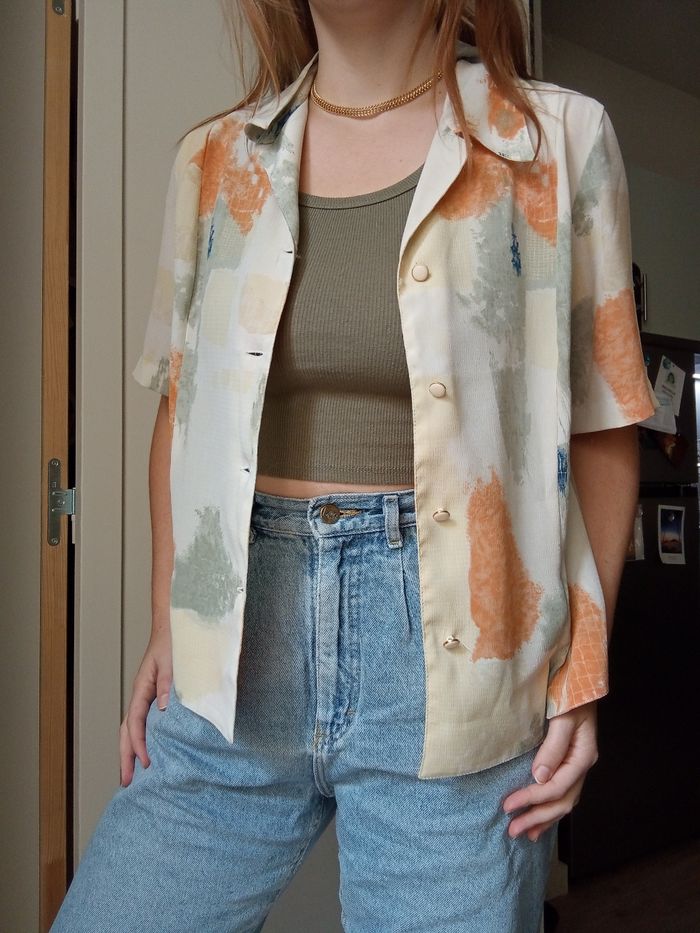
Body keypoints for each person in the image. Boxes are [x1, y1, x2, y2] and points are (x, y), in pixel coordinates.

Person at [51, 1, 658, 931]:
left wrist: (582, 668)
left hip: (459, 664)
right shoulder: (213, 159)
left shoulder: (557, 140)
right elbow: (183, 402)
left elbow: (603, 423)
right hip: (237, 653)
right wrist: (171, 612)